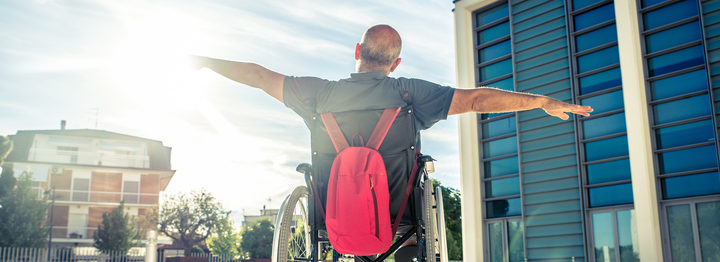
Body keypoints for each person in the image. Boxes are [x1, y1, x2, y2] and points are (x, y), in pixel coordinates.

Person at [191, 24, 592, 260]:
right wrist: (541, 102)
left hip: (330, 214)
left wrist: (206, 61)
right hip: (398, 216)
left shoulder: (316, 93)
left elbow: (259, 76)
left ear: (357, 52)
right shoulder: (409, 93)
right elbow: (476, 99)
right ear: (395, 63)